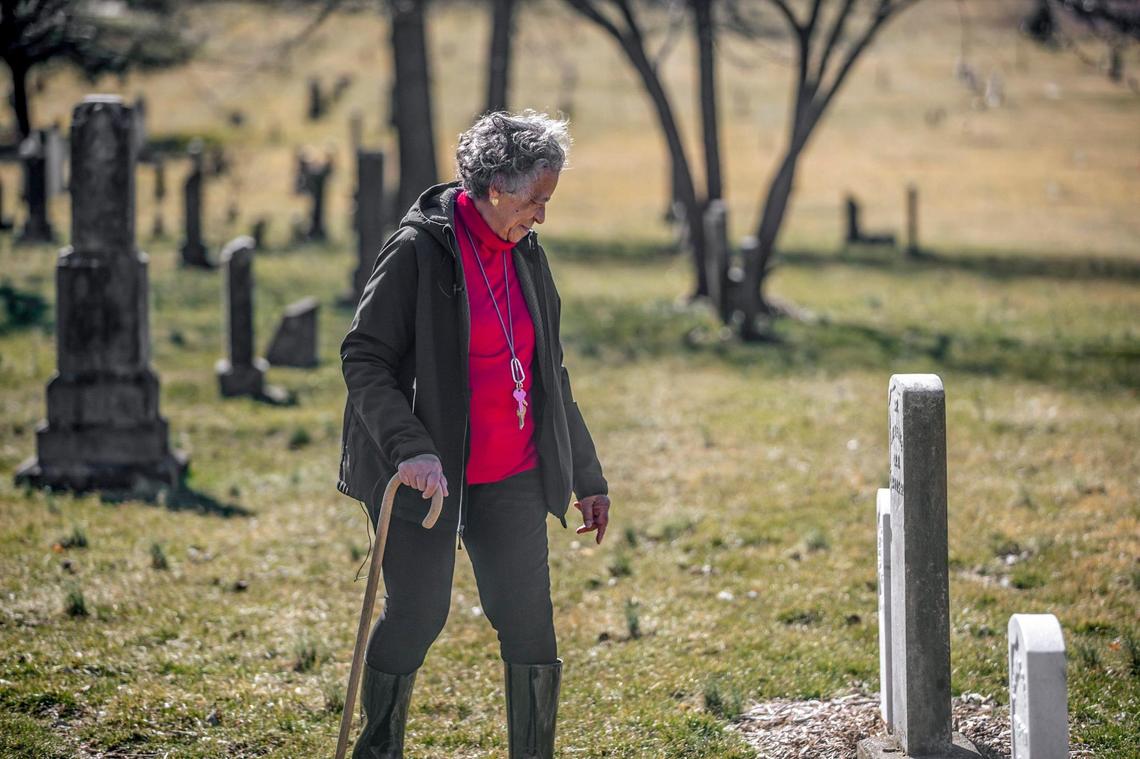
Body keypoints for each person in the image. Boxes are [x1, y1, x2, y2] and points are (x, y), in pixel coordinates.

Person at [338, 110, 611, 759]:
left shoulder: (526, 251)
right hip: (426, 476)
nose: (542, 214)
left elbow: (549, 373)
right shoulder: (416, 251)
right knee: (417, 613)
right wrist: (411, 446)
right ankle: (377, 750)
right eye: (535, 199)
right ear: (494, 188)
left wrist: (586, 474)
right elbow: (363, 357)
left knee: (529, 624)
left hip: (511, 471)